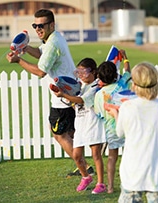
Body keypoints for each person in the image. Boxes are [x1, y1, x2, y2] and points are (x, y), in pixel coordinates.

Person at [6, 9, 92, 175]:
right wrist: (26, 48)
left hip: (62, 96)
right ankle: (86, 165)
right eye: (35, 25)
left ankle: (85, 170)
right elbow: (42, 54)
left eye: (41, 25)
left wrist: (18, 60)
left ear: (51, 24)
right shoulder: (53, 37)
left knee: (59, 135)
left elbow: (40, 72)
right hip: (70, 91)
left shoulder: (52, 43)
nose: (38, 29)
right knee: (70, 133)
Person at [106, 62, 158, 203]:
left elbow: (120, 132)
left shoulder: (128, 107)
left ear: (134, 84)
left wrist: (115, 114)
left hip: (133, 171)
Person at [53, 58, 107, 194]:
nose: (81, 75)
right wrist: (65, 95)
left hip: (93, 124)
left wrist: (65, 94)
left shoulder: (95, 87)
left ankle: (101, 183)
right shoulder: (80, 86)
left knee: (96, 155)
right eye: (79, 72)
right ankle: (86, 177)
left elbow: (81, 100)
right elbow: (75, 102)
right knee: (77, 155)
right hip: (81, 125)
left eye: (84, 71)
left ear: (94, 72)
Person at [94, 50, 131, 194]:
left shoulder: (99, 95)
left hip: (111, 130)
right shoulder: (122, 84)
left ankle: (110, 187)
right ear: (116, 74)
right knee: (129, 156)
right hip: (127, 127)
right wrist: (125, 59)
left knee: (111, 157)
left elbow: (99, 114)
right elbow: (127, 71)